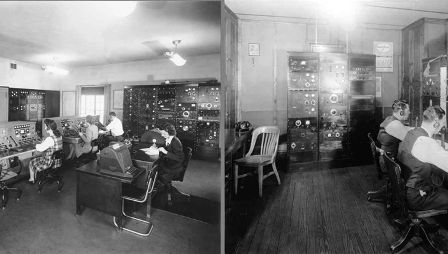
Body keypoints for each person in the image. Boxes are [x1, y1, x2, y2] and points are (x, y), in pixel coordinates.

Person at [397, 105, 448, 211]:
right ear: (436, 123)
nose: (443, 127)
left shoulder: (412, 133)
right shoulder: (426, 143)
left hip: (406, 189)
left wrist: (437, 144)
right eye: (443, 123)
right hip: (417, 197)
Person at [26, 119, 63, 184]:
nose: (45, 127)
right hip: (58, 161)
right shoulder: (59, 136)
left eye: (45, 126)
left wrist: (35, 144)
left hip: (49, 162)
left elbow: (40, 149)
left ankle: (32, 179)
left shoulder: (50, 139)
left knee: (31, 161)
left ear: (49, 127)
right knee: (38, 156)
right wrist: (44, 142)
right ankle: (34, 177)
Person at [154, 123, 185, 187]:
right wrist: (157, 147)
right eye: (161, 133)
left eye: (164, 133)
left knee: (154, 169)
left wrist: (165, 152)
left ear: (170, 132)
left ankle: (156, 187)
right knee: (155, 166)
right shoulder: (168, 139)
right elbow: (167, 147)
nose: (162, 135)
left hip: (173, 167)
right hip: (169, 163)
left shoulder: (175, 142)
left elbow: (181, 158)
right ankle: (155, 186)